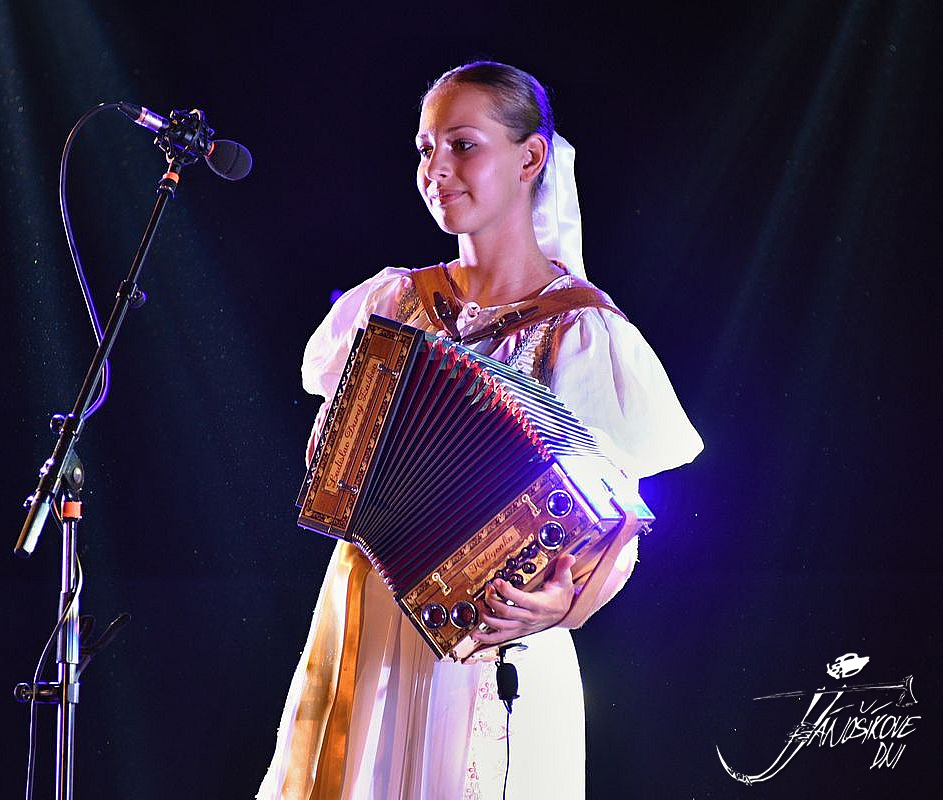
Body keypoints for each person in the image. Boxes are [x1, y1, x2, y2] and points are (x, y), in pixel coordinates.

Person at [257, 61, 703, 799]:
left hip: (496, 641)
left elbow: (617, 521)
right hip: (371, 625)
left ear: (530, 159)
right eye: (425, 148)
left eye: (462, 145)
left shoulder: (580, 329)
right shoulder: (392, 302)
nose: (436, 169)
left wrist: (568, 604)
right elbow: (334, 457)